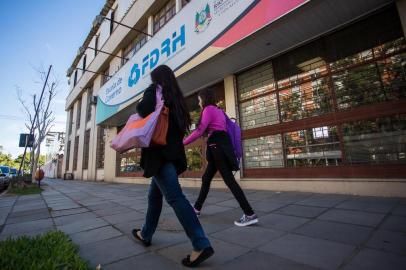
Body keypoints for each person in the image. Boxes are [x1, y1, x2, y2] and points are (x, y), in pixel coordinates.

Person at [132, 65, 214, 267]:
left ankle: (200, 243)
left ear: (157, 79)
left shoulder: (155, 92)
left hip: (159, 156)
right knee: (154, 196)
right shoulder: (177, 98)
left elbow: (143, 109)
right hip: (171, 155)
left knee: (176, 198)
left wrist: (145, 96)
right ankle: (146, 233)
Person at [184, 88, 258, 227]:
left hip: (217, 147)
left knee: (230, 181)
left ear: (204, 99)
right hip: (220, 146)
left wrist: (183, 143)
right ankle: (197, 208)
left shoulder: (208, 110)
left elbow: (200, 130)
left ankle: (249, 213)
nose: (199, 103)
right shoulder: (219, 110)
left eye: (199, 100)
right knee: (206, 178)